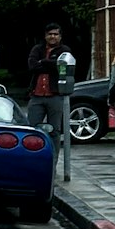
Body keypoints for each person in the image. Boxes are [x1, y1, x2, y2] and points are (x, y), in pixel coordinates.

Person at [27, 22, 71, 155]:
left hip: (55, 95)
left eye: (55, 34)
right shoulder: (37, 49)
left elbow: (61, 67)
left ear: (60, 36)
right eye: (50, 34)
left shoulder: (65, 50)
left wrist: (44, 62)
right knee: (32, 129)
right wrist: (51, 64)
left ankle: (53, 161)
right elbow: (32, 66)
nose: (53, 37)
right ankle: (33, 159)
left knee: (55, 131)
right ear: (45, 36)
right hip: (36, 96)